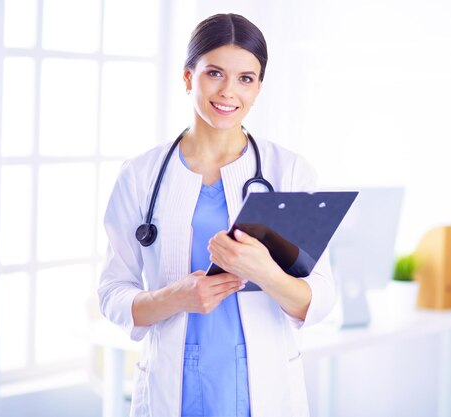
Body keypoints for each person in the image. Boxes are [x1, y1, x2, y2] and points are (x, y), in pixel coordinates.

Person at [97, 13, 336, 417]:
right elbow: (112, 292)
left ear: (259, 88)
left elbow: (321, 298)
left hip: (262, 386)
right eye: (214, 73)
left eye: (246, 78)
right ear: (188, 77)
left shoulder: (289, 172)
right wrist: (172, 297)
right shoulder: (140, 175)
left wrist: (265, 272)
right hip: (173, 385)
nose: (229, 91)